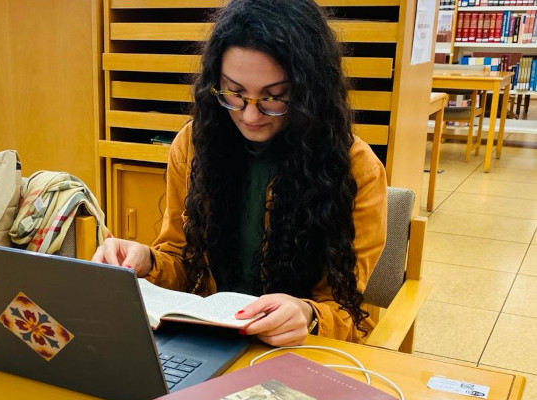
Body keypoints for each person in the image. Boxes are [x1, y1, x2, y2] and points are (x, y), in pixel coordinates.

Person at [92, 0, 387, 346]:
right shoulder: (194, 144)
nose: (249, 116)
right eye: (234, 93)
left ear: (309, 93)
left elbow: (348, 310)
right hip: (208, 341)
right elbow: (182, 261)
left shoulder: (355, 169)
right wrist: (148, 260)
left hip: (296, 351)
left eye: (274, 98)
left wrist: (307, 315)